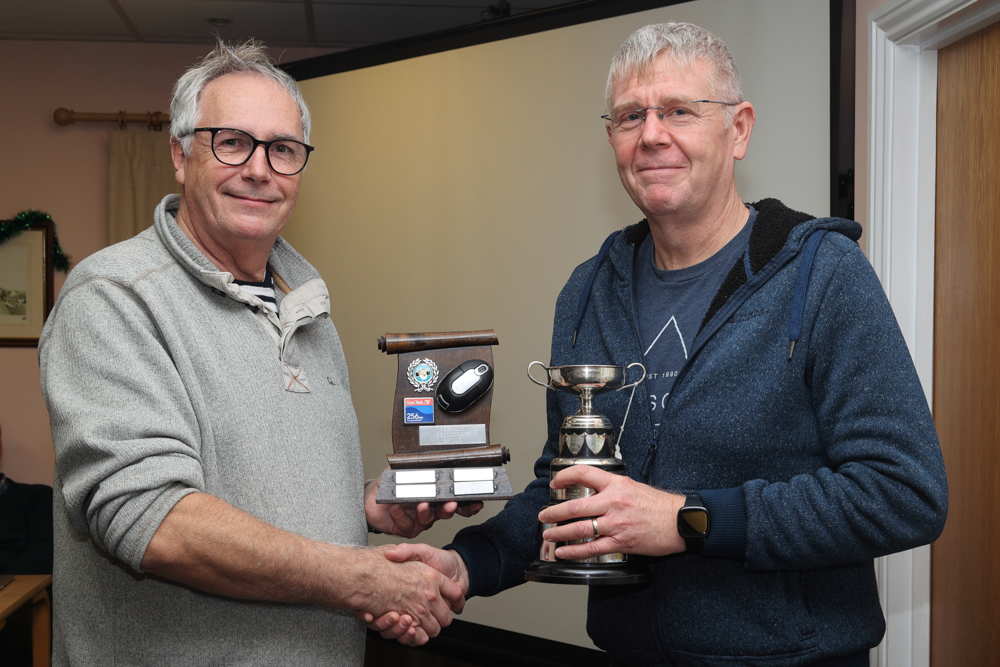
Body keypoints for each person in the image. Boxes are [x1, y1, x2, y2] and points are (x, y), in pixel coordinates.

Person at [366, 22, 949, 666]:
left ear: (739, 129)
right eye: (629, 116)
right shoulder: (588, 290)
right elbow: (564, 488)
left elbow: (903, 492)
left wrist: (685, 521)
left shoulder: (824, 274)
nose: (651, 135)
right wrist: (467, 564)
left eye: (678, 111)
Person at [38, 41, 477, 666]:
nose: (259, 169)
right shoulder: (114, 298)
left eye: (282, 149)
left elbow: (258, 489)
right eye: (232, 141)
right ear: (180, 155)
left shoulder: (306, 306)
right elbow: (153, 519)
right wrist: (363, 576)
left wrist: (364, 509)